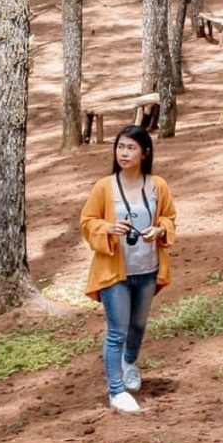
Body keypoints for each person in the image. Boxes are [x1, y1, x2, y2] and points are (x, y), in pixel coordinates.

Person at [80, 125, 177, 414]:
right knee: (116, 332)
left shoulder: (158, 185)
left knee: (138, 325)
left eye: (131, 148)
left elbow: (170, 218)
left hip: (147, 268)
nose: (124, 153)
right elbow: (87, 222)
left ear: (145, 153)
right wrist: (108, 228)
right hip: (114, 272)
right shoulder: (105, 187)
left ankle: (129, 363)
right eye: (120, 147)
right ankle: (116, 391)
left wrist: (159, 231)